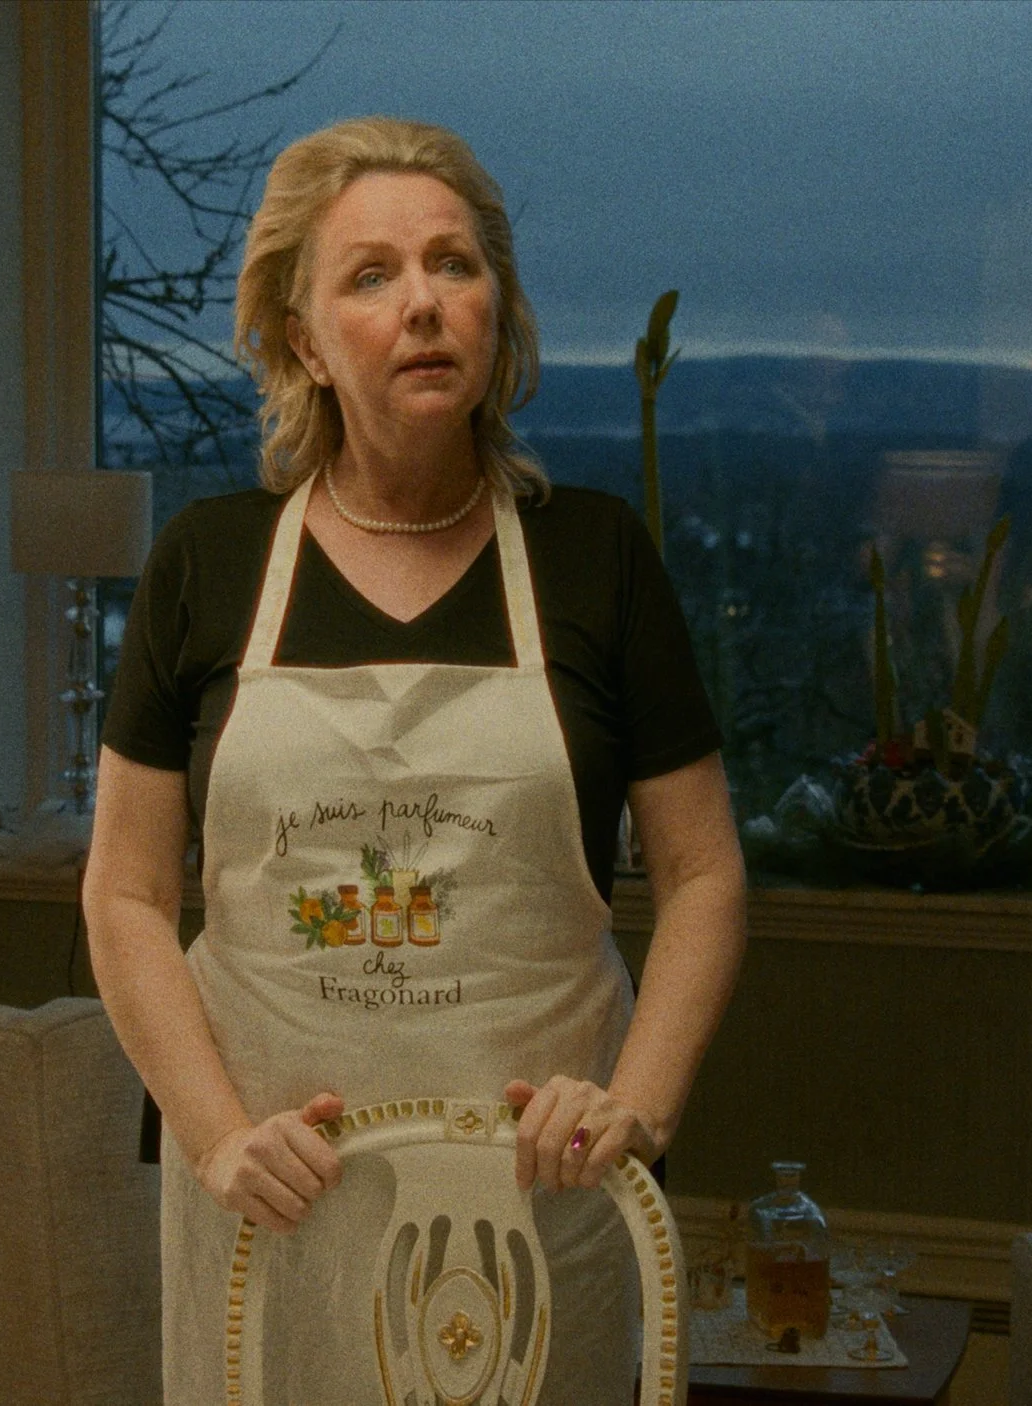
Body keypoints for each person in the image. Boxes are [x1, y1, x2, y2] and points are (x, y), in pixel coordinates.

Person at [82, 116, 747, 1403]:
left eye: (454, 264)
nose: (424, 303)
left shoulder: (595, 560)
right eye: (371, 276)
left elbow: (704, 872)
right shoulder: (207, 565)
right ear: (302, 341)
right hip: (274, 1209)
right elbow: (122, 891)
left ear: (497, 311)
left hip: (541, 1199)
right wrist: (215, 1138)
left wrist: (640, 1104)